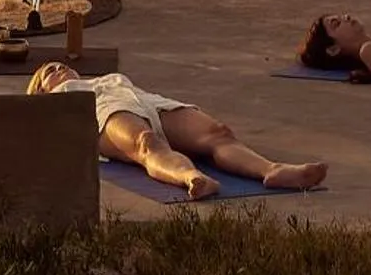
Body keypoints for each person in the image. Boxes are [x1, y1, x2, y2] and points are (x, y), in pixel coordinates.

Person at [29, 62, 326, 198]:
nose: (59, 70)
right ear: (41, 92)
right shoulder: (62, 101)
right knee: (147, 143)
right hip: (101, 111)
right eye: (49, 74)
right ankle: (192, 177)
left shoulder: (106, 77)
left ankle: (273, 170)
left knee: (218, 133)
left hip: (147, 101)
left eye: (59, 65)